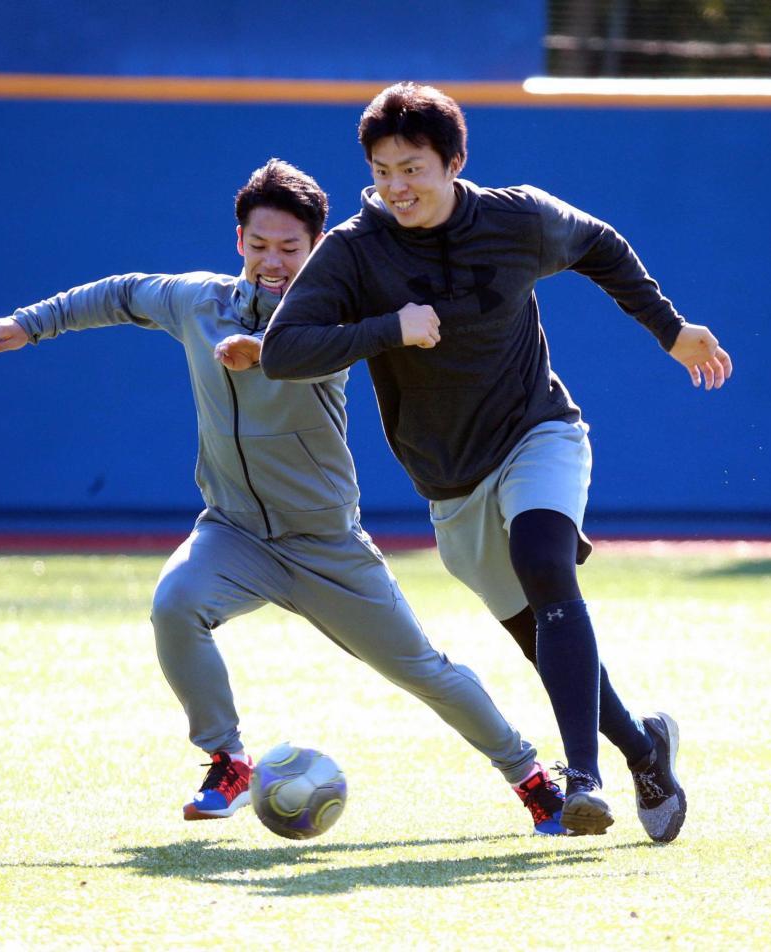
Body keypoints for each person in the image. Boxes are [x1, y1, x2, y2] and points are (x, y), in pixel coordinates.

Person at [0, 158, 573, 836]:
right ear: (238, 241)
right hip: (234, 532)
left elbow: (336, 342)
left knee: (424, 669)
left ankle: (534, 780)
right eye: (259, 245)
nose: (272, 261)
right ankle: (228, 759)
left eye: (290, 248)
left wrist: (334, 335)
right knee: (175, 605)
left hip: (325, 546)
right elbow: (123, 292)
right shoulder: (197, 302)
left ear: (317, 249)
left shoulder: (330, 312)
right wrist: (30, 323)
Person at [261, 85, 733, 841]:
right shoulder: (354, 248)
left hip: (537, 429)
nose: (397, 186)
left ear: (454, 162)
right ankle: (645, 751)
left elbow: (601, 246)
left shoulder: (517, 218)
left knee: (546, 562)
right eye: (382, 170)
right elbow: (283, 351)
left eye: (412, 167)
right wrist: (388, 328)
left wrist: (670, 331)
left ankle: (586, 781)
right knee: (539, 636)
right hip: (449, 480)